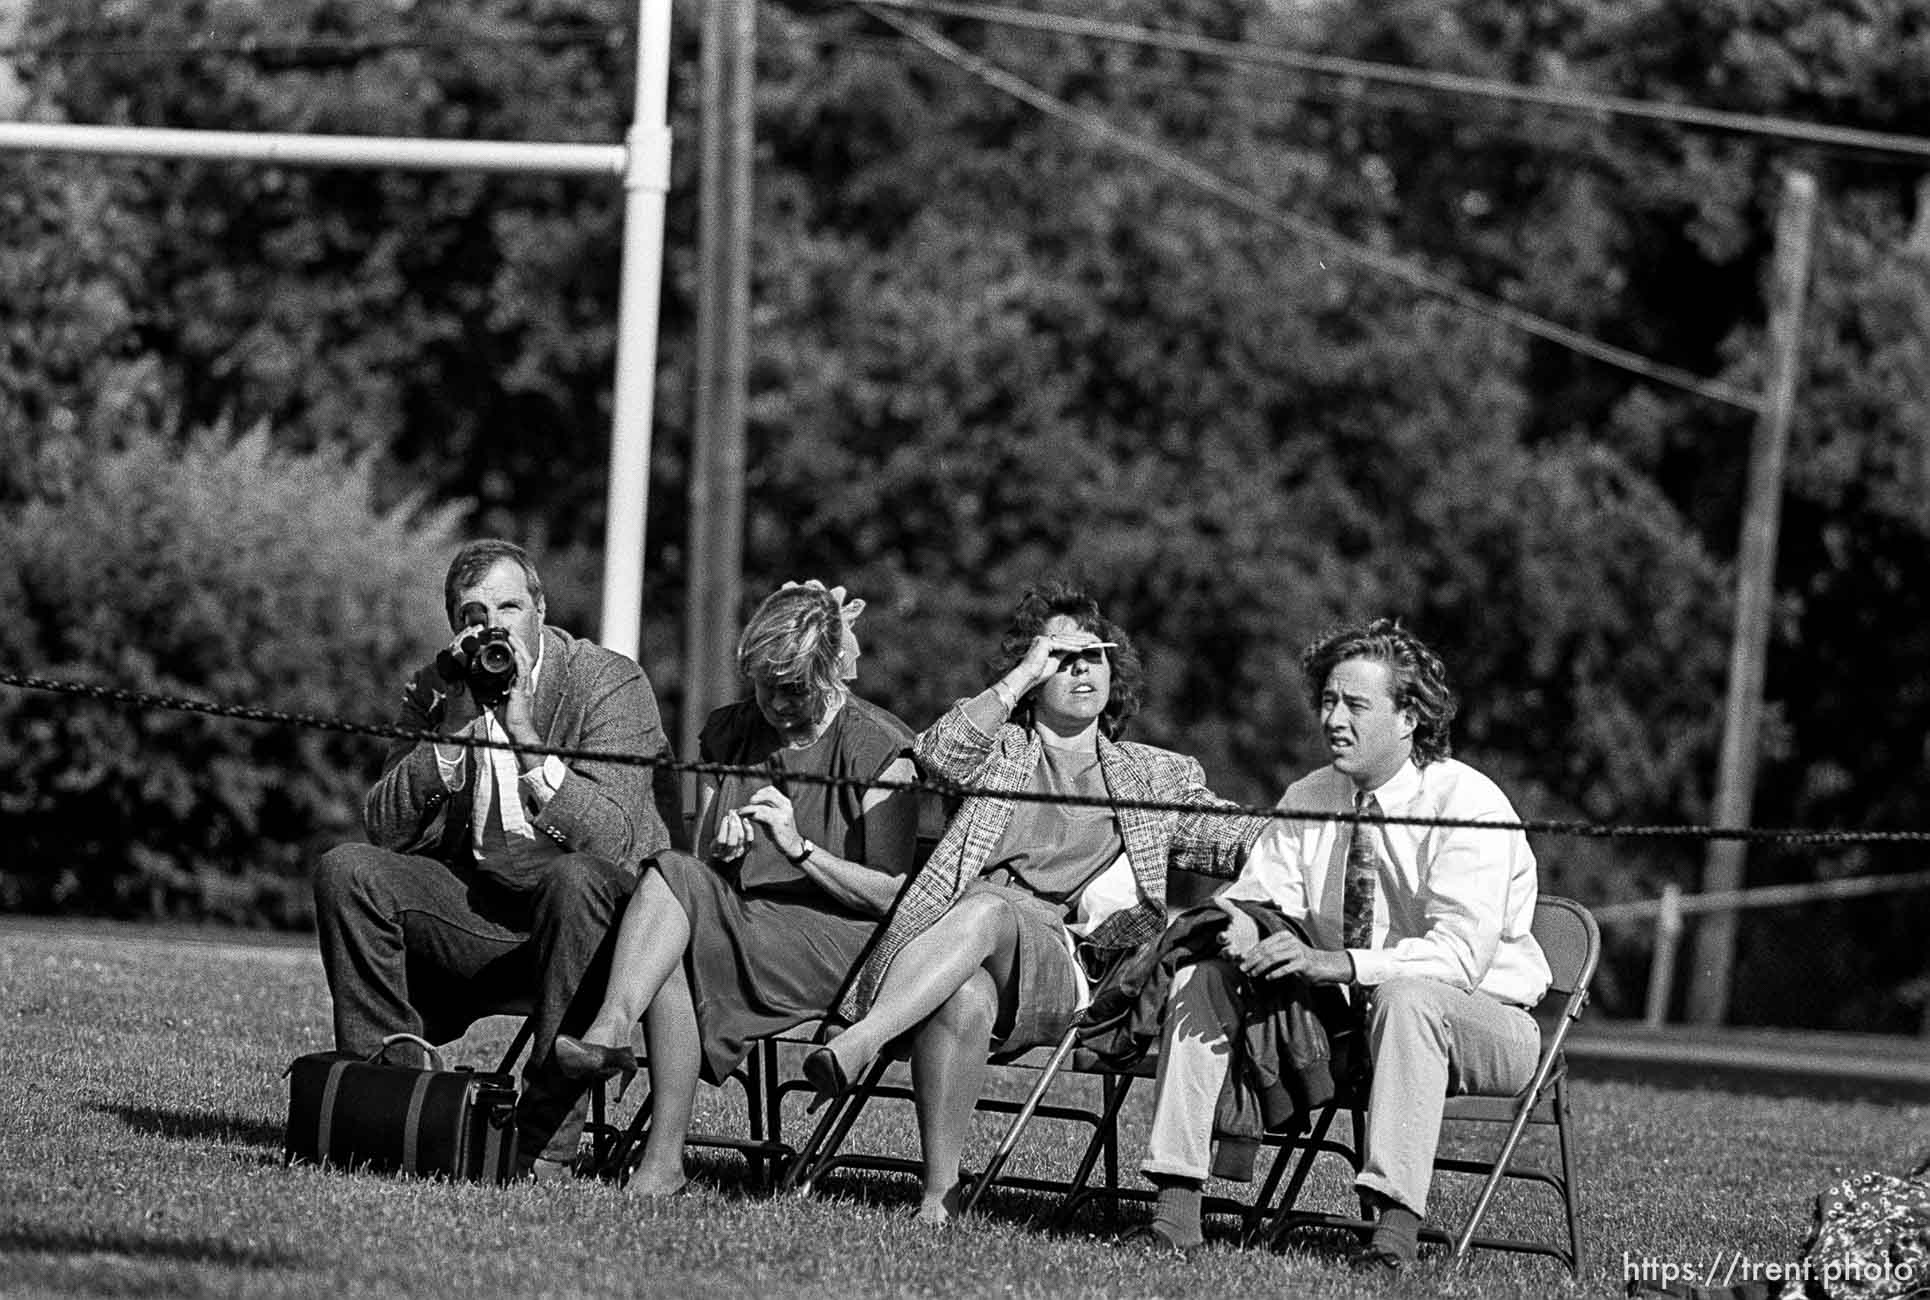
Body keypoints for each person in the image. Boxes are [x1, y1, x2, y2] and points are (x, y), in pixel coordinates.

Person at [805, 581, 1263, 1226]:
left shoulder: (1154, 774)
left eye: (1093, 655)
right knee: (965, 995)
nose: (1080, 669)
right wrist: (1019, 677)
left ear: (1114, 671)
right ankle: (940, 1196)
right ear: (1033, 671)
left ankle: (861, 1041)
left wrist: (1315, 828)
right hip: (960, 953)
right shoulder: (1000, 751)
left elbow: (1227, 834)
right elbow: (936, 756)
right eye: (1060, 657)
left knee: (991, 907)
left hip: (1072, 965)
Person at [1134, 618, 1550, 1269]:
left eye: (1355, 704)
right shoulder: (1309, 795)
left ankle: (1393, 1238)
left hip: (1486, 1022)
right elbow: (1256, 895)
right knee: (1201, 978)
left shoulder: (1468, 802)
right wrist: (1240, 927)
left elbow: (1461, 959)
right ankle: (1174, 1214)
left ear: (1409, 715)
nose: (1333, 719)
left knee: (1409, 997)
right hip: (1343, 1022)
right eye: (1328, 701)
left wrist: (1336, 962)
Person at [311, 538, 679, 1180]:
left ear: (540, 609)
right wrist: (448, 738)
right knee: (347, 870)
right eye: (473, 613)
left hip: (597, 927)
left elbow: (613, 842)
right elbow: (385, 830)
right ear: (456, 626)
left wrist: (530, 741)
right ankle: (392, 1110)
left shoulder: (609, 681)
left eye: (508, 607)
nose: (492, 626)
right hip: (484, 911)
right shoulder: (437, 688)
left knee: (576, 878)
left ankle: (543, 1144)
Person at [552, 581, 921, 1196]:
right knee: (670, 897)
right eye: (763, 684)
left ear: (830, 672)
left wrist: (800, 849)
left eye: (794, 687)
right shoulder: (729, 732)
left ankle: (612, 1033)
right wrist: (725, 855)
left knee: (669, 924)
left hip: (840, 938)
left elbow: (893, 898)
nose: (775, 702)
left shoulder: (877, 746)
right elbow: (697, 867)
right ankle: (657, 1160)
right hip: (743, 918)